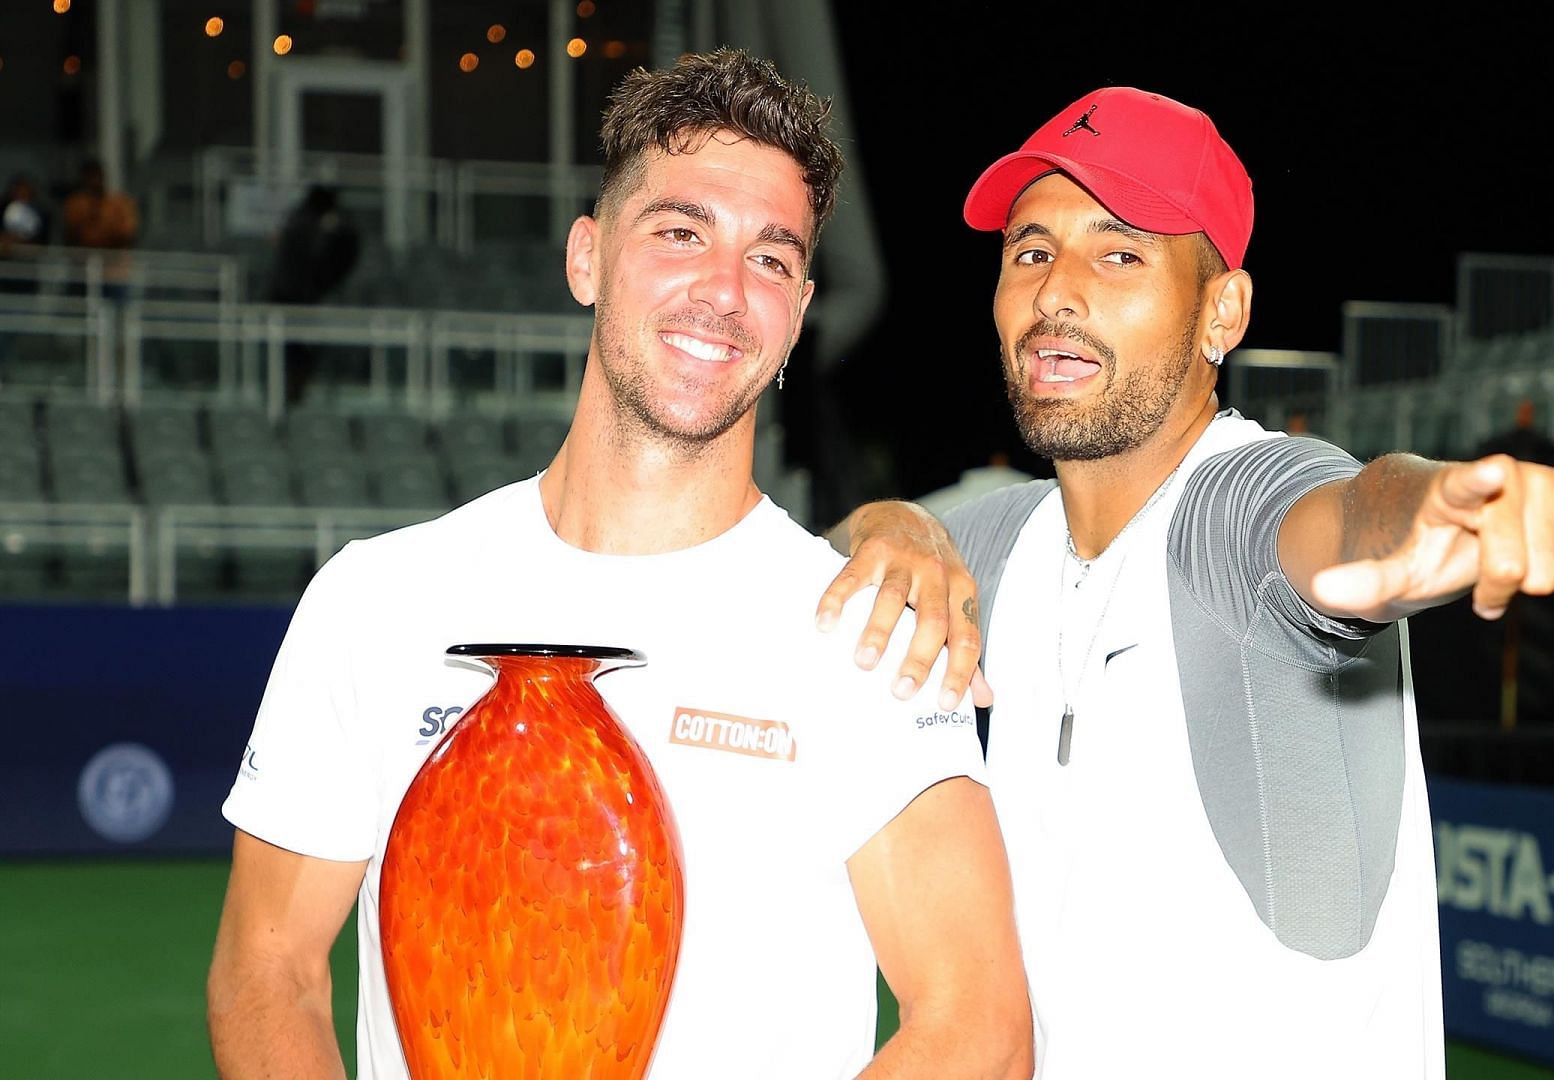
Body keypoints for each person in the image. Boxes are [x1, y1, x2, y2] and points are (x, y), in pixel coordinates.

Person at [206, 49, 1031, 1080]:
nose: (725, 291)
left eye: (770, 260)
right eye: (681, 234)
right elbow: (267, 965)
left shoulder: (863, 631)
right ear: (587, 258)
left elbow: (978, 1028)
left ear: (799, 316)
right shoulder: (377, 599)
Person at [822, 86, 1554, 1077]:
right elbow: (816, 560)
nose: (1058, 291)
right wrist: (895, 525)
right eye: (1030, 250)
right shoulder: (1008, 542)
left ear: (1221, 312)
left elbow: (1342, 510)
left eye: (1120, 254)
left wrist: (1431, 508)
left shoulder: (1233, 504)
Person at [266, 185, 362, 402]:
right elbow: (325, 261)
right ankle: (290, 397)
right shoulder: (306, 226)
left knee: (298, 354)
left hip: (292, 298)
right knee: (296, 355)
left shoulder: (298, 222)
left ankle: (291, 395)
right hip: (293, 300)